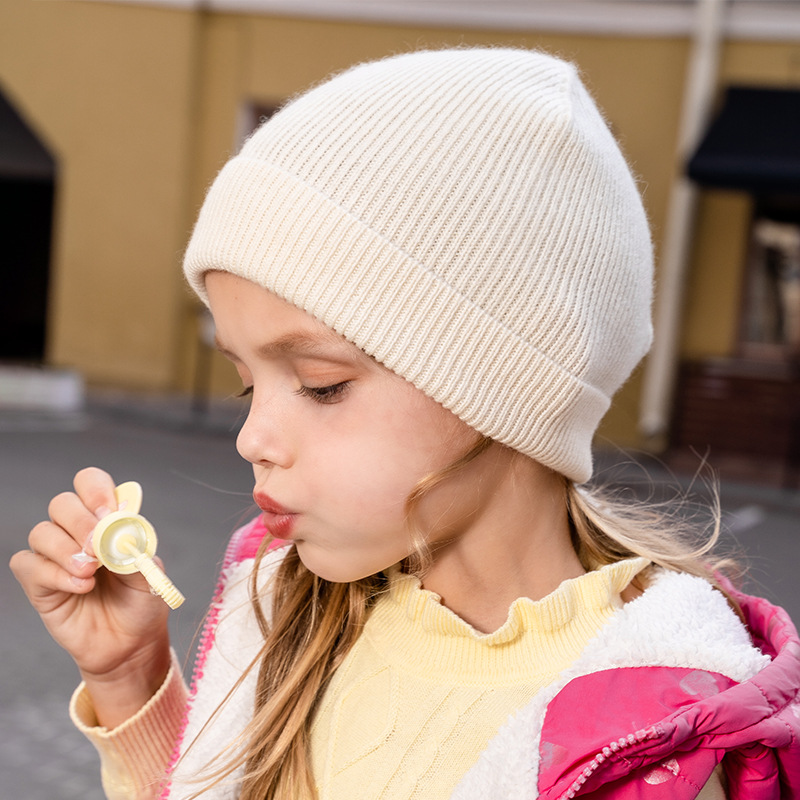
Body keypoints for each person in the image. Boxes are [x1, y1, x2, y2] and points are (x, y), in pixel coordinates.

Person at [10, 48, 800, 800]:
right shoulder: (294, 610)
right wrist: (130, 678)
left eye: (320, 385)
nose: (252, 438)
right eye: (247, 384)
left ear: (504, 388)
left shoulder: (662, 747)